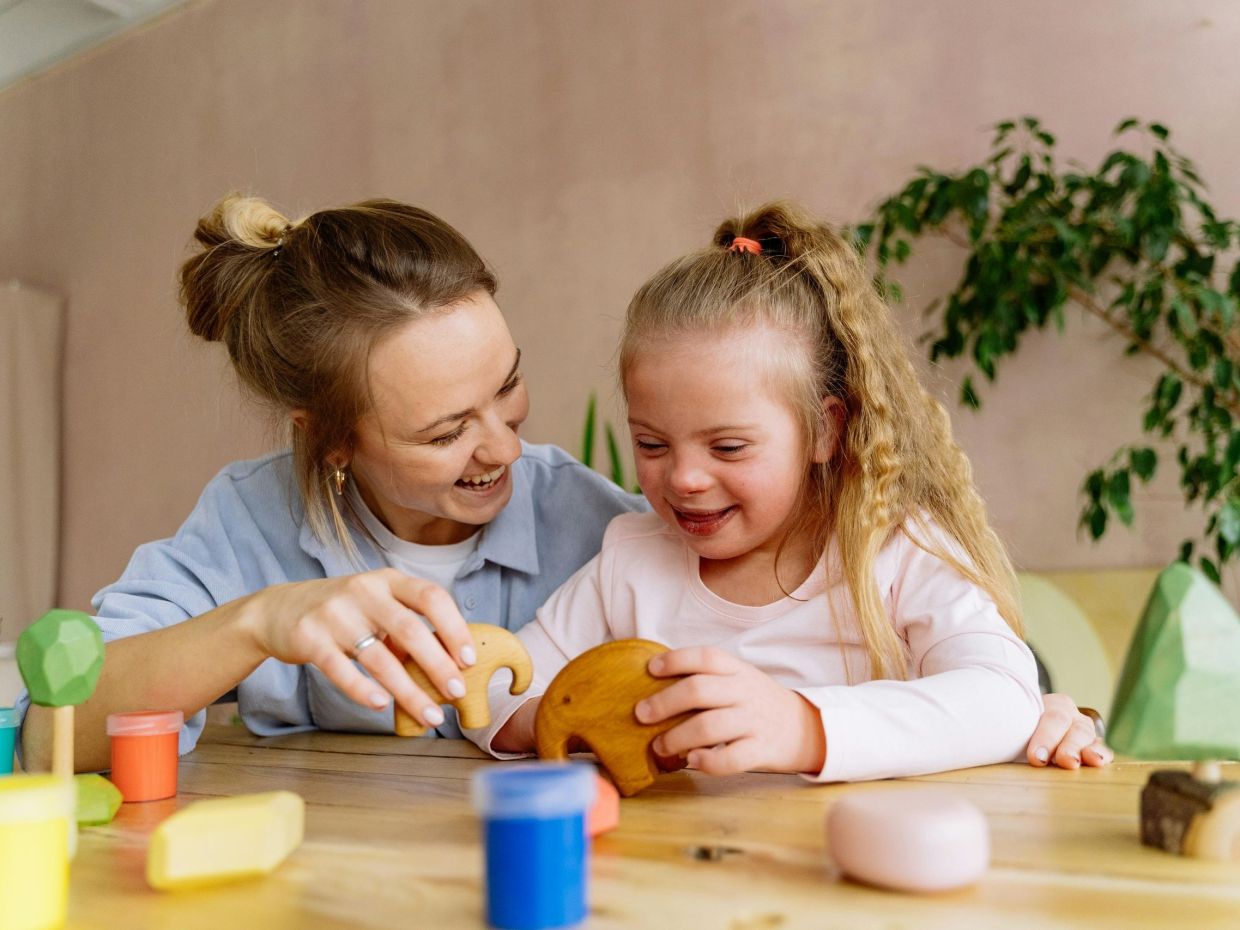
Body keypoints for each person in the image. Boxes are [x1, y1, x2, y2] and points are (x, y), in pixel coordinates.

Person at [17, 195, 1106, 775]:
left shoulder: (603, 526)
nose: (500, 448)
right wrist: (262, 623)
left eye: (511, 389)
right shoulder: (252, 522)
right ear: (333, 441)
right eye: (447, 429)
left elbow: (951, 670)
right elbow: (44, 720)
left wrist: (1012, 709)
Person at [481, 202, 1108, 780]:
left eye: (728, 447)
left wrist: (802, 726)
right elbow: (496, 687)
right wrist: (574, 718)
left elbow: (1003, 699)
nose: (683, 478)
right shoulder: (632, 557)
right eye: (652, 444)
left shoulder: (895, 552)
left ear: (824, 431)